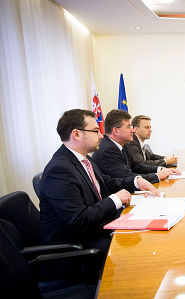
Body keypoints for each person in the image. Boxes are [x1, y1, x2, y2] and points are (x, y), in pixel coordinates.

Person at [39, 109, 159, 279]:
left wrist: (136, 181)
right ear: (76, 134)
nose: (102, 135)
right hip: (78, 250)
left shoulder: (84, 159)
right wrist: (116, 199)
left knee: (147, 233)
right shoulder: (59, 170)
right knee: (142, 257)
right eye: (96, 131)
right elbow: (79, 221)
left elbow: (107, 182)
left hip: (95, 233)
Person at [92, 109, 180, 184]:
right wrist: (157, 176)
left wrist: (160, 169)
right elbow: (127, 176)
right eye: (128, 127)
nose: (133, 130)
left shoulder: (123, 144)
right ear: (116, 131)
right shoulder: (109, 149)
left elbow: (138, 166)